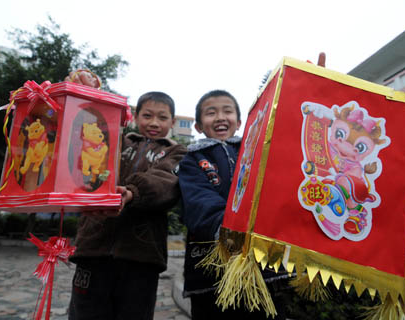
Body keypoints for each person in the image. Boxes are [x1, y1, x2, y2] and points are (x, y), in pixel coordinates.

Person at [66, 71, 187, 320]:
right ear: (135, 116)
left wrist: (132, 192)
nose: (154, 122)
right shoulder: (115, 140)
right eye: (147, 115)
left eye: (162, 117)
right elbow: (86, 129)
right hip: (93, 248)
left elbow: (166, 182)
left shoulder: (176, 153)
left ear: (172, 122)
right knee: (85, 313)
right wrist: (85, 92)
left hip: (141, 255)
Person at [178, 89, 291, 320]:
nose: (220, 117)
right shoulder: (192, 160)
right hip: (213, 271)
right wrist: (228, 229)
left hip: (262, 265)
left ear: (239, 122)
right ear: (199, 126)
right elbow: (199, 200)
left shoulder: (258, 150)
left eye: (227, 111)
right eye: (211, 113)